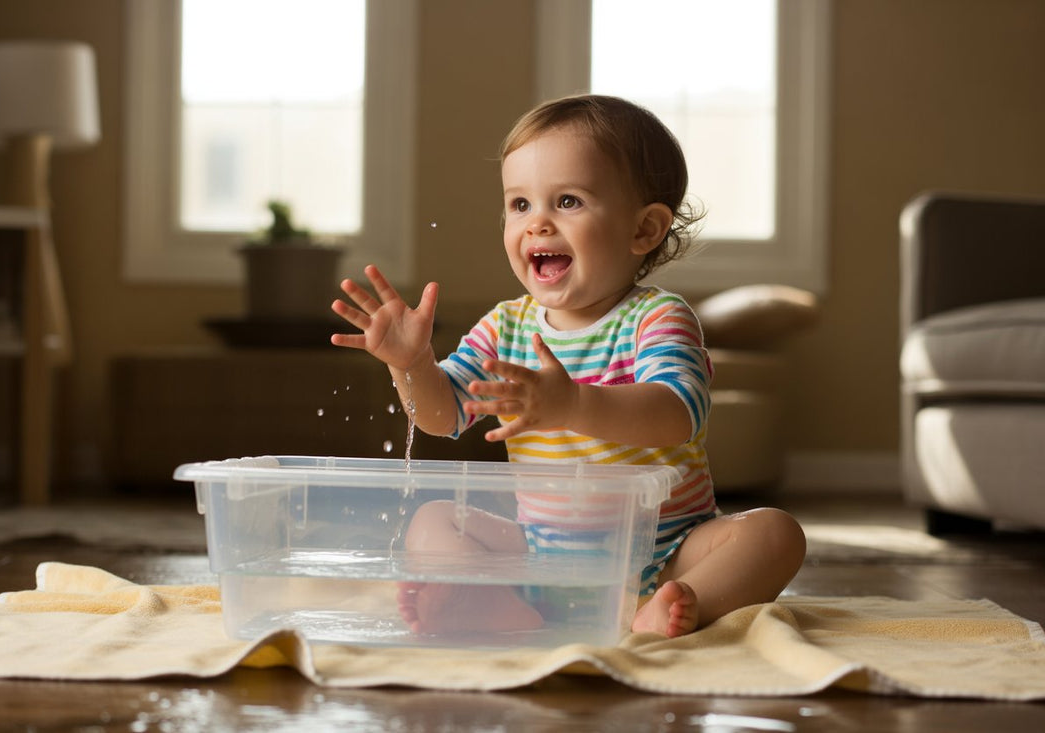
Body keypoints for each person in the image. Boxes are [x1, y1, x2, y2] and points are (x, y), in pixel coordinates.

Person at [331, 94, 806, 638]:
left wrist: (575, 403)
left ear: (644, 230)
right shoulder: (506, 327)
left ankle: (673, 605)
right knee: (435, 520)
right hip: (541, 559)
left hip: (668, 551)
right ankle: (492, 601)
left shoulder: (658, 318)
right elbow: (442, 415)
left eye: (569, 202)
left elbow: (679, 413)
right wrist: (412, 364)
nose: (537, 225)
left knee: (774, 533)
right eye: (520, 205)